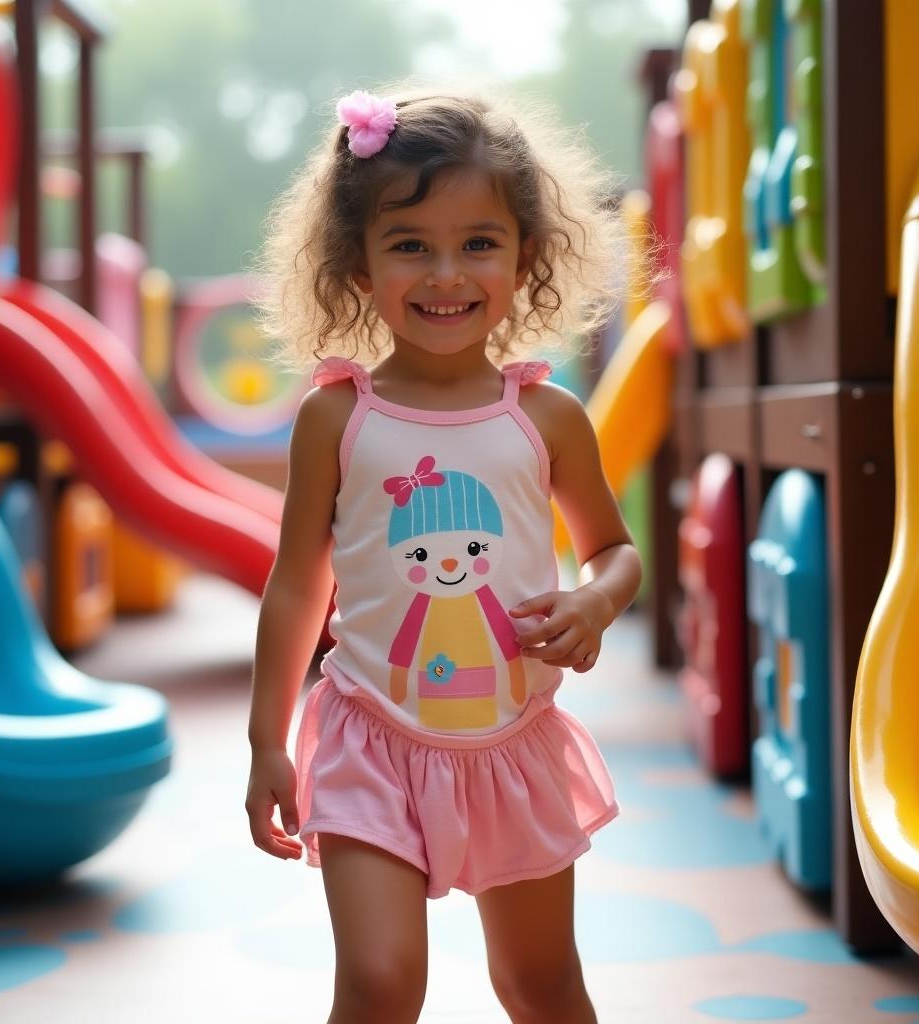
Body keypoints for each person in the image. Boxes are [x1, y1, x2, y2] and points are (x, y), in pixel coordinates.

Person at [245, 82, 644, 1024]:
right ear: (359, 264)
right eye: (410, 245)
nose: (445, 275)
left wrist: (596, 600)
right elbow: (298, 583)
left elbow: (616, 552)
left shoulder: (547, 417)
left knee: (541, 987)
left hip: (512, 748)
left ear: (525, 257)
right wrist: (268, 738)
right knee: (381, 985)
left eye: (478, 244)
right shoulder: (336, 418)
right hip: (367, 741)